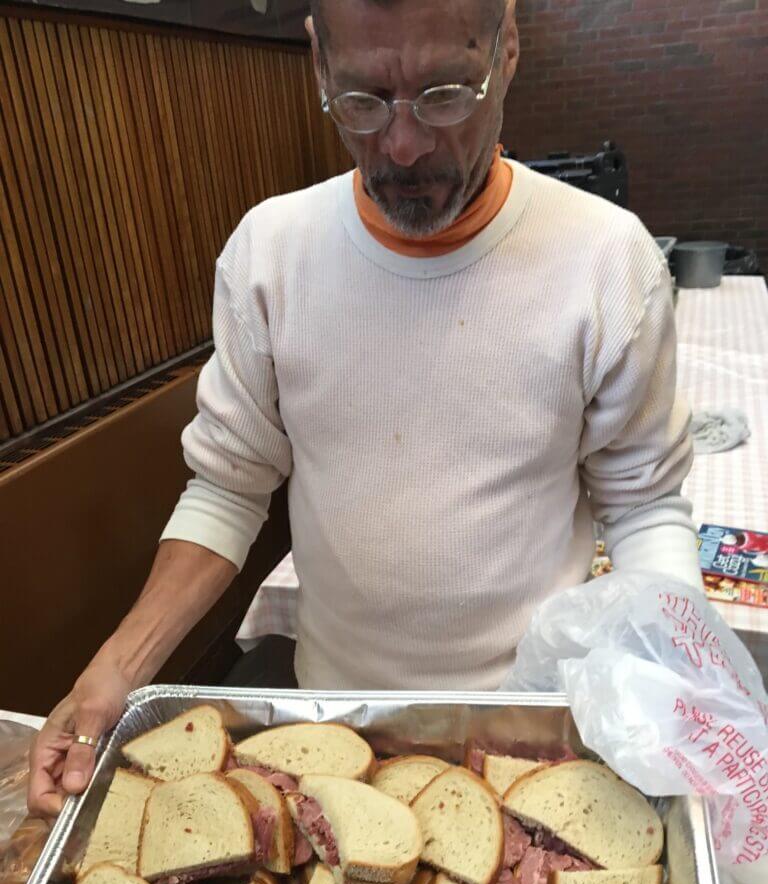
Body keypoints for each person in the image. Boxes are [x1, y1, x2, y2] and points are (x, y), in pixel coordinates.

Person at [28, 0, 703, 817]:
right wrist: (117, 667)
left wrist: (674, 687)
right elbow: (230, 487)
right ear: (318, 62)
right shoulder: (269, 254)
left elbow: (641, 506)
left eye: (447, 92)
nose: (405, 144)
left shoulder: (606, 258)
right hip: (336, 737)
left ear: (509, 46)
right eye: (362, 101)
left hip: (538, 737)